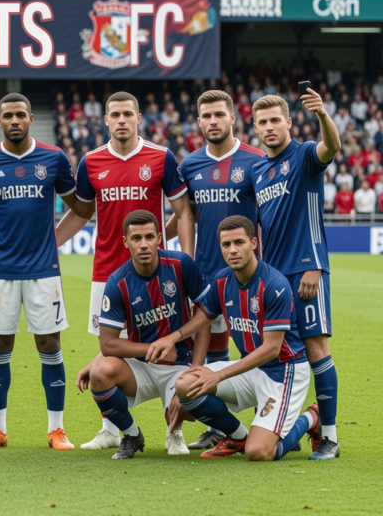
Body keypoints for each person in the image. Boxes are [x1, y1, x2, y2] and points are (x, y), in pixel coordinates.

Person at [56, 91, 195, 453]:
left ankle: (174, 429)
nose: (121, 120)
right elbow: (82, 212)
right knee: (109, 352)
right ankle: (113, 429)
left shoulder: (160, 157)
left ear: (138, 118)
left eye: (127, 114)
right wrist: (50, 242)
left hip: (157, 273)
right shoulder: (90, 161)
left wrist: (188, 260)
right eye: (114, 114)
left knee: (171, 346)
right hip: (107, 272)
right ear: (105, 120)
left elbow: (182, 209)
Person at [0, 93, 88, 450]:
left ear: (31, 118)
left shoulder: (53, 158)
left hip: (43, 272)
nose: (15, 120)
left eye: (21, 114)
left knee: (50, 344)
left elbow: (82, 207)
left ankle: (56, 430)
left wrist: (54, 239)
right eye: (8, 115)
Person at [148, 216, 320, 461]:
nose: (233, 250)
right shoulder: (222, 280)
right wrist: (172, 338)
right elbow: (205, 316)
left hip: (283, 372)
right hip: (250, 368)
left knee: (260, 452)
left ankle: (312, 417)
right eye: (226, 245)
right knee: (185, 385)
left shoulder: (275, 285)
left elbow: (272, 349)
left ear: (253, 242)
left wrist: (218, 375)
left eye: (239, 242)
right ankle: (238, 436)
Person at [168, 90, 265, 450]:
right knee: (213, 352)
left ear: (232, 118)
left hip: (248, 276)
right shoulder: (190, 164)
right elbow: (185, 215)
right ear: (198, 121)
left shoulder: (255, 160)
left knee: (254, 345)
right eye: (206, 115)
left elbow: (266, 217)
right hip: (208, 273)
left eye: (219, 115)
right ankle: (222, 427)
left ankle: (265, 421)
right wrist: (185, 258)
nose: (213, 121)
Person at [250, 92, 341, 459]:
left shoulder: (304, 155)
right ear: (255, 128)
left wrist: (322, 114)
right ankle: (290, 423)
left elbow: (331, 147)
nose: (270, 127)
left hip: (306, 271)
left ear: (288, 122)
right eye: (263, 122)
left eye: (276, 120)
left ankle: (329, 437)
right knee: (283, 352)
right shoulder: (257, 171)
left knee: (317, 348)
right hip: (273, 279)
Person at [86, 210, 208, 459]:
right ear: (125, 242)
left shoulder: (181, 264)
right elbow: (108, 344)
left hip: (179, 364)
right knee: (99, 373)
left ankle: (175, 431)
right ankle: (131, 435)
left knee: (195, 402)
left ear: (159, 238)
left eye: (149, 237)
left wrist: (195, 370)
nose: (143, 244)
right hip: (140, 367)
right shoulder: (117, 282)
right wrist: (153, 347)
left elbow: (206, 317)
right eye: (136, 238)